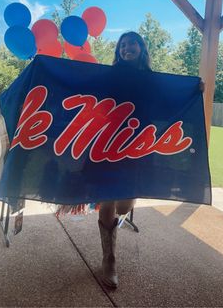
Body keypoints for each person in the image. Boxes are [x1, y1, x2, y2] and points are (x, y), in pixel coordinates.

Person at [98, 31, 151, 289]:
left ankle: (116, 226)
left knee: (123, 206)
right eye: (122, 45)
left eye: (132, 43)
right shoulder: (110, 75)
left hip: (136, 145)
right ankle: (109, 259)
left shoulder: (152, 79)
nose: (126, 48)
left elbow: (168, 99)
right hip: (108, 142)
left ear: (141, 48)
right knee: (108, 199)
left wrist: (195, 89)